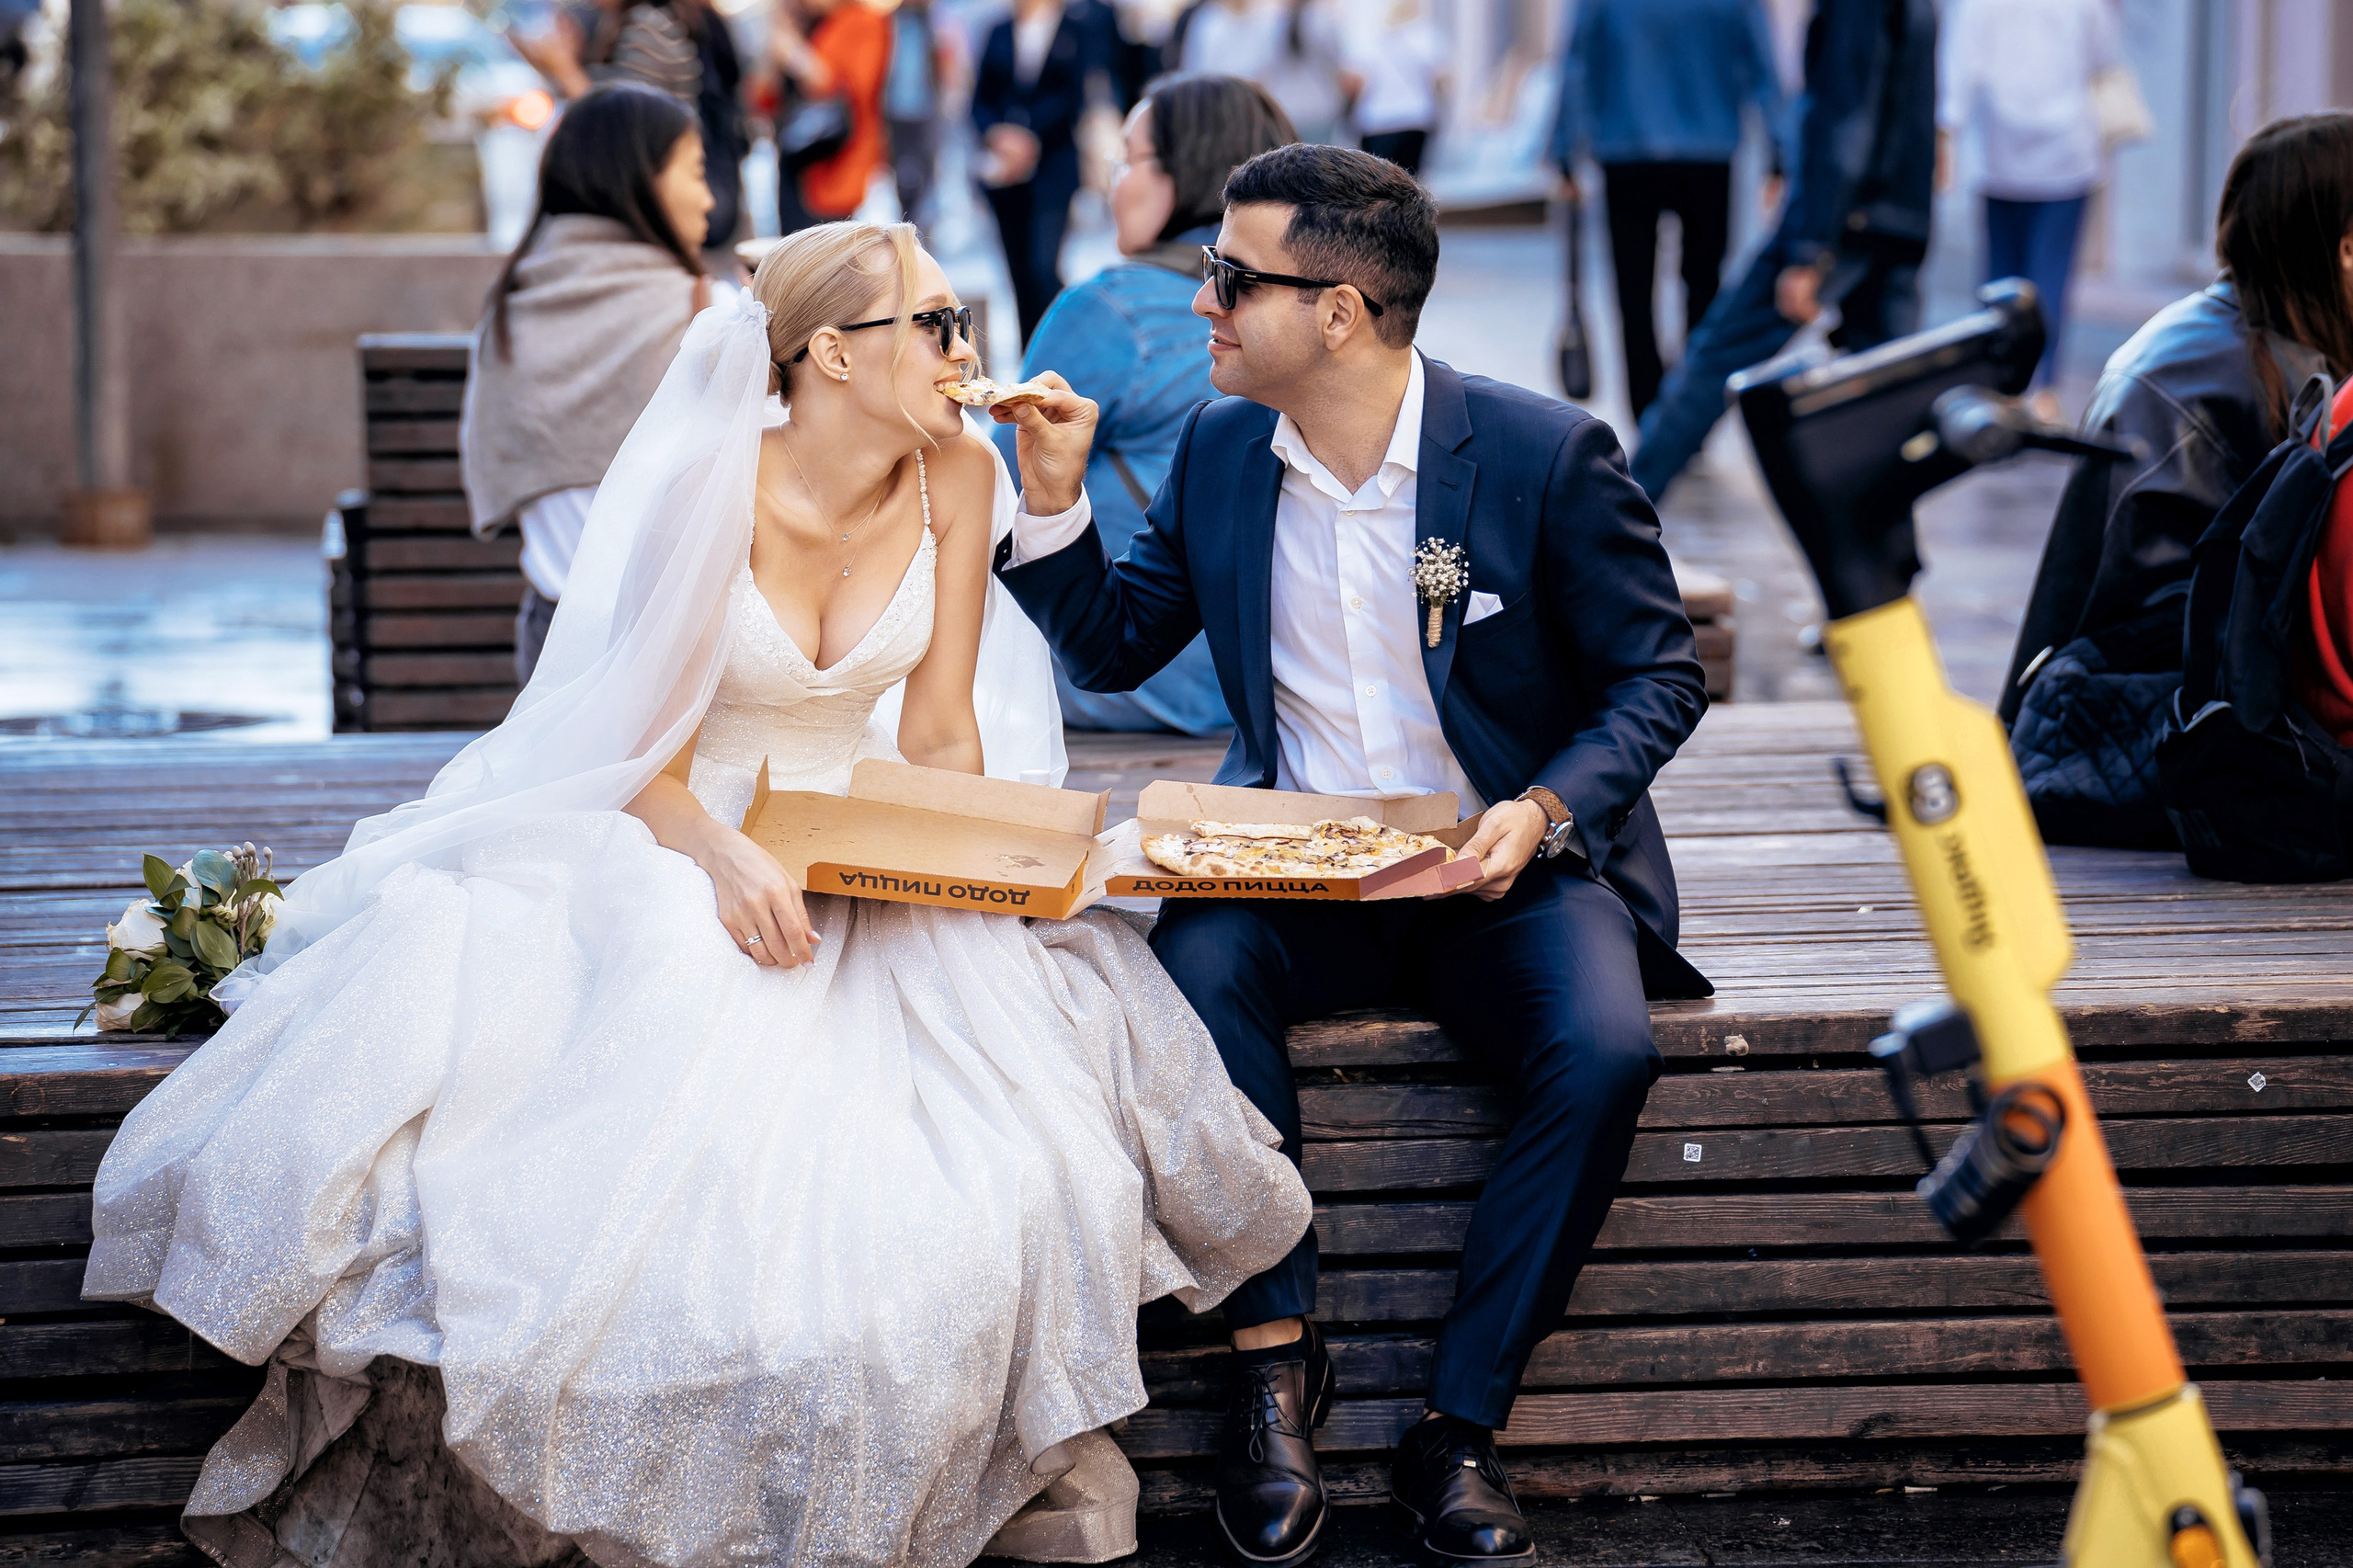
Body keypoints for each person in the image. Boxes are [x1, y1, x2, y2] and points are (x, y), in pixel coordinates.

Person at [84, 222, 1313, 1568]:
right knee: (658, 1146)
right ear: (831, 352)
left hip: (868, 847)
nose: (967, 356)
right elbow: (635, 765)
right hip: (687, 842)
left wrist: (987, 862)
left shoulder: (961, 471)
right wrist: (727, 856)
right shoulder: (708, 490)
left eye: (964, 327)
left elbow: (946, 727)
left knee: (1006, 1162)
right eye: (937, 326)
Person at [992, 144, 1711, 1568]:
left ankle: (1461, 1426)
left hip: (1504, 864)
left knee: (1607, 1048)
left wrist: (1546, 810)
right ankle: (1274, 1371)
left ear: (1336, 313)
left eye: (1229, 280)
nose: (1200, 305)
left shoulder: (1539, 451)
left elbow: (1658, 676)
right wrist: (1055, 498)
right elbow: (1122, 641)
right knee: (1191, 972)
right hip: (1295, 861)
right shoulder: (1215, 453)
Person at [2006, 115, 2353, 762]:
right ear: (2345, 249)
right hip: (2149, 726)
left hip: (2128, 710)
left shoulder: (2237, 334)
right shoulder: (2251, 380)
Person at [994, 74, 1293, 733]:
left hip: (1141, 679)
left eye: (1129, 159)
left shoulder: (1112, 309)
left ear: (1186, 170)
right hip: (1274, 679)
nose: (1114, 183)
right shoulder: (1306, 303)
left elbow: (994, 486)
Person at [461, 84, 718, 684]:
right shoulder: (708, 318)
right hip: (673, 650)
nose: (709, 199)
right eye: (697, 173)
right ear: (641, 182)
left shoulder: (507, 315)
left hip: (549, 643)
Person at [1631, 0, 1936, 501]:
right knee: (1887, 411)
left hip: (1843, 217)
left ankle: (1614, 516)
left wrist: (1808, 249)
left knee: (1715, 358)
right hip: (1894, 217)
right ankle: (1890, 569)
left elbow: (1843, 115)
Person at [1550, 0, 1784, 419]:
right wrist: (1780, 150)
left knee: (1634, 296)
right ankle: (1688, 412)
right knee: (1705, 289)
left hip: (1626, 151)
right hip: (1709, 153)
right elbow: (1761, 66)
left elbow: (1579, 63)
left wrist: (1566, 149)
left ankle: (1649, 413)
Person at [1938, 0, 2120, 419]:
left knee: (1999, 277)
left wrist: (1947, 133)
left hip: (2000, 154)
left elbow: (1960, 67)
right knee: (2049, 279)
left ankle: (1998, 385)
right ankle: (2044, 390)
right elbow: (2104, 55)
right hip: (2067, 153)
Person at [509, 0, 749, 259]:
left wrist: (565, 70)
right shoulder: (624, 22)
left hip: (659, 201)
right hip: (655, 198)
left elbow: (627, 130)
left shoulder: (647, 27)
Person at [972, 0, 1101, 343]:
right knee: (1017, 273)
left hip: (1052, 167)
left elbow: (1073, 97)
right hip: (1003, 169)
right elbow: (980, 97)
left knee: (1042, 266)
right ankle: (1028, 355)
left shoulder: (1074, 29)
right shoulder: (998, 30)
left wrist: (1029, 139)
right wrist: (998, 135)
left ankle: (1061, 345)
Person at [769, 0, 892, 233]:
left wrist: (796, 55)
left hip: (835, 161)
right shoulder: (811, 23)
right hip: (797, 156)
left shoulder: (864, 21)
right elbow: (764, 97)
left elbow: (853, 91)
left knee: (821, 252)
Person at [1179, 0, 1345, 147]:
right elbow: (1196, 68)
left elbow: (1268, 65)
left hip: (1293, 112)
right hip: (1221, 110)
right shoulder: (1208, 20)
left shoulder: (1270, 17)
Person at [1337, 0, 1448, 176]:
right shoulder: (1427, 35)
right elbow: (1442, 80)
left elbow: (1353, 82)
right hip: (1416, 118)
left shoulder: (1371, 37)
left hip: (1377, 120)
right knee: (1411, 181)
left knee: (1378, 183)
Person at [883, 0, 944, 231]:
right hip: (893, 109)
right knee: (899, 174)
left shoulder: (934, 21)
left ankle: (921, 229)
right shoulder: (889, 20)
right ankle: (903, 225)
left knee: (926, 173)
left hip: (925, 109)